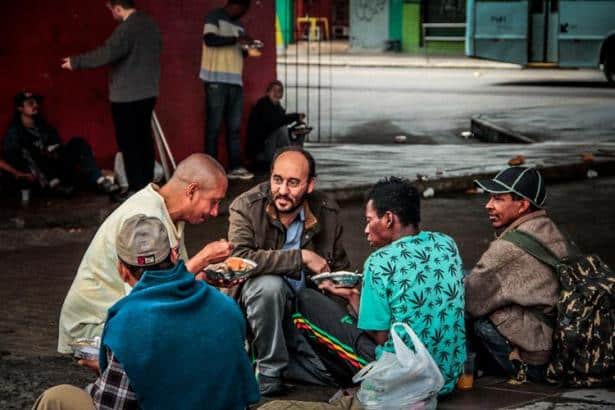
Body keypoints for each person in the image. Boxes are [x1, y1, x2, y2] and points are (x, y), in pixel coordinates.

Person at [34, 215, 259, 410]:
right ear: (173, 255)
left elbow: (112, 405)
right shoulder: (225, 306)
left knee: (57, 396)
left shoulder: (126, 323)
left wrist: (107, 368)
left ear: (122, 270)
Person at [58, 153, 232, 353]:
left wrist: (209, 276)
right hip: (92, 327)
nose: (215, 212)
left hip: (128, 314)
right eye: (213, 202)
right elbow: (149, 297)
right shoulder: (145, 219)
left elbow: (176, 277)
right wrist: (203, 258)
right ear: (191, 190)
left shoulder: (170, 213)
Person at [308, 176, 466, 395]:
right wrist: (353, 296)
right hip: (447, 377)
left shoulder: (379, 262)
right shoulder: (446, 244)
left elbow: (380, 338)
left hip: (406, 378)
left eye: (369, 219)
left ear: (389, 219)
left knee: (307, 301)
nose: (365, 229)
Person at [227, 146, 350, 395]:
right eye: (277, 180)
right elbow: (240, 259)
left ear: (310, 185)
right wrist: (301, 257)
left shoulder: (327, 211)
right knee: (269, 285)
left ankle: (275, 361)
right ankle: (271, 372)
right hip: (258, 312)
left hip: (304, 313)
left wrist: (336, 321)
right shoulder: (246, 206)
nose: (282, 191)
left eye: (293, 183)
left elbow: (339, 272)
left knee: (341, 375)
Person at [465, 166, 568, 382]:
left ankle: (476, 369)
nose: (488, 205)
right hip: (559, 346)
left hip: (538, 362)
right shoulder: (547, 228)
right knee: (472, 279)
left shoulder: (508, 250)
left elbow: (469, 303)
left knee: (477, 319)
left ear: (522, 205)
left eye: (498, 199)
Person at [61, 0, 162, 198]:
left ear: (118, 8)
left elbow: (107, 53)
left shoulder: (126, 29)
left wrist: (76, 62)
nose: (112, 15)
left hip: (126, 96)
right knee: (144, 141)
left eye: (111, 11)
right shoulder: (150, 24)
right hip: (148, 91)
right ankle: (147, 187)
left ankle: (135, 189)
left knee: (129, 144)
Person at [2, 91, 118, 196]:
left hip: (56, 166)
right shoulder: (15, 132)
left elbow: (57, 145)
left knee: (77, 142)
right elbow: (13, 156)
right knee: (33, 149)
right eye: (30, 103)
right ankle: (55, 186)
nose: (35, 105)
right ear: (20, 108)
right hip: (38, 174)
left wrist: (53, 150)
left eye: (36, 102)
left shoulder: (43, 126)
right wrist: (22, 173)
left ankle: (100, 181)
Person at [200, 0, 254, 180]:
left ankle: (235, 166)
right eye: (243, 8)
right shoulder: (214, 17)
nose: (243, 13)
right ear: (235, 5)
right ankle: (210, 169)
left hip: (235, 81)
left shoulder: (239, 25)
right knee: (213, 127)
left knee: (234, 127)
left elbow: (241, 50)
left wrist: (247, 46)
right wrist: (235, 39)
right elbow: (209, 40)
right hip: (215, 79)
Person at [247, 80, 306, 169]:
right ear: (268, 92)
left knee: (299, 132)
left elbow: (281, 124)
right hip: (262, 153)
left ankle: (290, 154)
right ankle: (289, 155)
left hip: (273, 148)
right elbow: (274, 123)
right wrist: (295, 116)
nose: (276, 93)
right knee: (282, 128)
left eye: (279, 91)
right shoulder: (263, 104)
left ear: (281, 95)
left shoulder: (278, 108)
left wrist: (294, 131)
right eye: (273, 90)